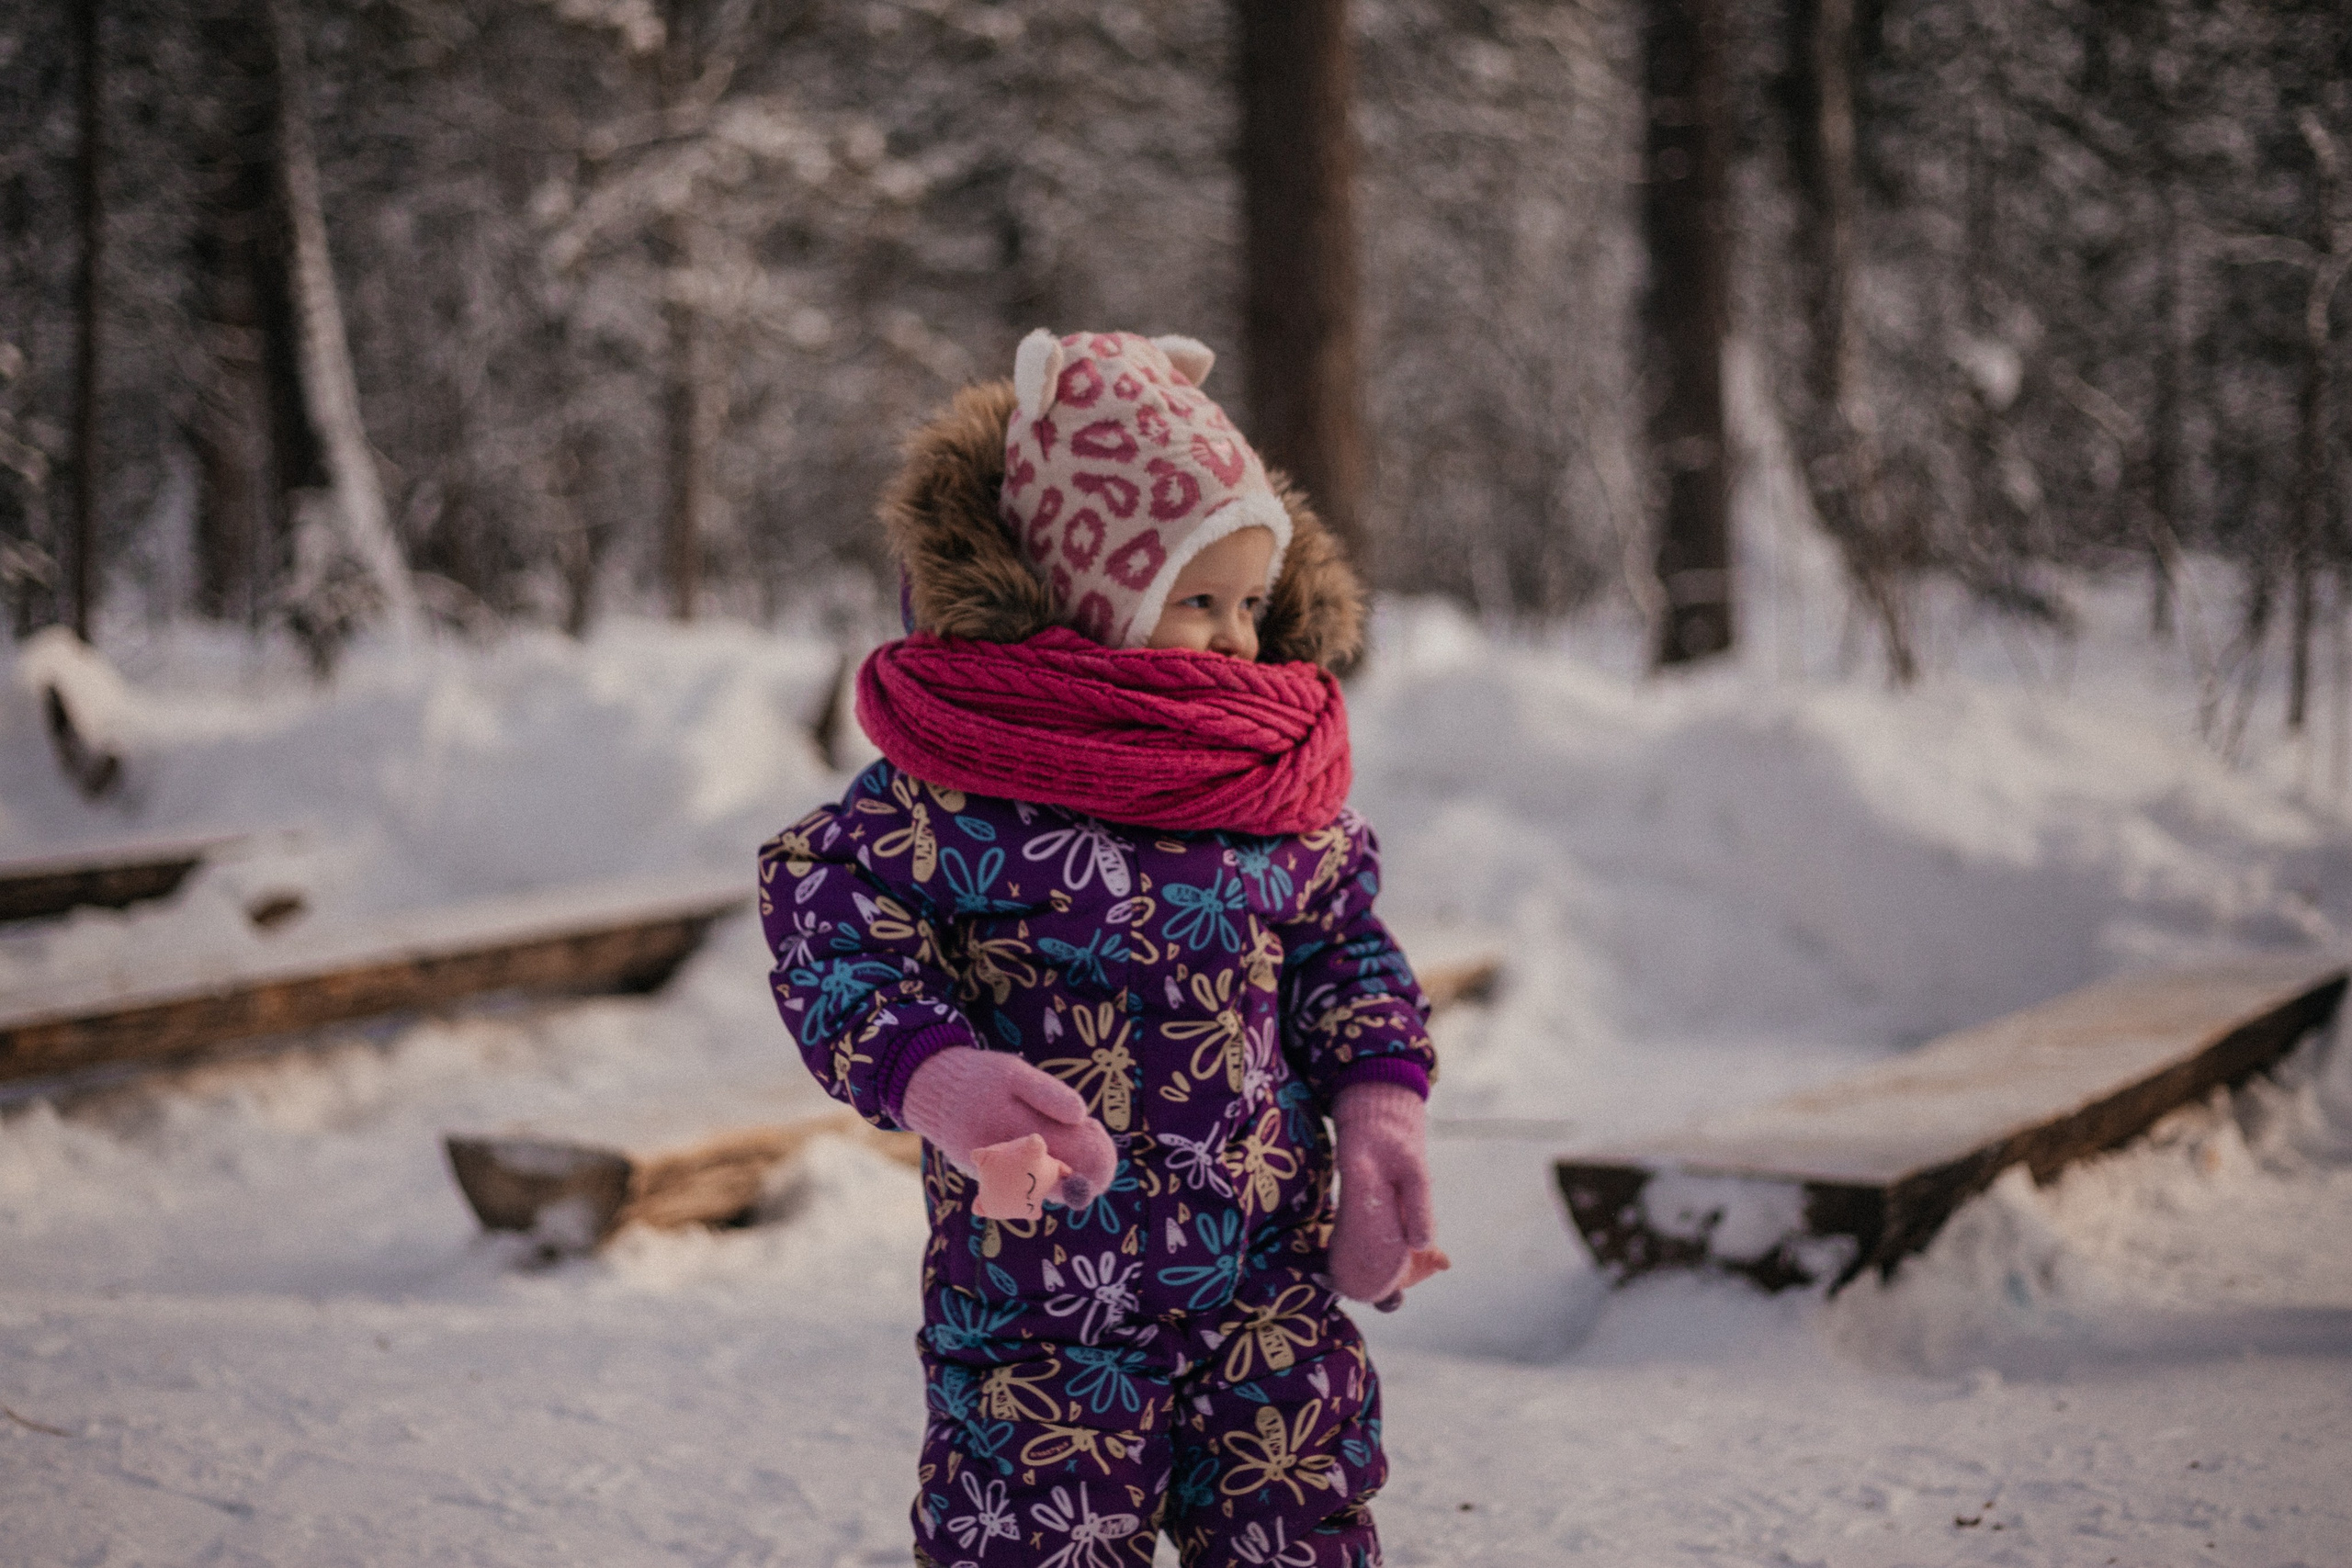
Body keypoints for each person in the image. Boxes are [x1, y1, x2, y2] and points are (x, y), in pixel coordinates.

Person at [759, 330, 1443, 1568]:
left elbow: (1346, 952)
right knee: (1037, 1537)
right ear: (1090, 593)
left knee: (1298, 1528)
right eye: (1198, 601)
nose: (1238, 640)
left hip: (1262, 1272)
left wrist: (1379, 1115)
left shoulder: (1266, 782)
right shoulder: (969, 786)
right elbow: (829, 916)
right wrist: (936, 1073)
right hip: (1040, 1280)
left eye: (1251, 602)